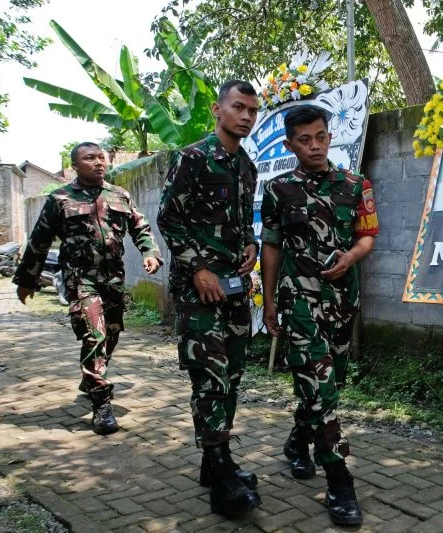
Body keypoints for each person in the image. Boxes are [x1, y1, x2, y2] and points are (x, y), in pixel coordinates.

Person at [261, 104, 378, 526]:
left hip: (343, 301)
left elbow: (367, 236)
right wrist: (269, 302)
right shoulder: (278, 190)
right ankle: (339, 481)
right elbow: (270, 246)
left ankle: (297, 441)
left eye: (321, 136)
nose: (314, 145)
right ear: (290, 144)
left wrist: (350, 257)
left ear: (331, 136)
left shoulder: (355, 184)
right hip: (299, 302)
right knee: (322, 388)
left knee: (325, 386)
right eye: (304, 139)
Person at [157, 79, 262, 518]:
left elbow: (242, 221)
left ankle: (212, 460)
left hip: (235, 290)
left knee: (232, 372)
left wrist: (253, 245)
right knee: (209, 375)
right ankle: (221, 471)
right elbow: (167, 218)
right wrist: (198, 268)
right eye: (238, 107)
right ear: (217, 110)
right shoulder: (193, 158)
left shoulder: (247, 166)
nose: (246, 116)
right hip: (200, 291)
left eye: (252, 111)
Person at [12, 142, 162, 436]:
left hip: (113, 279)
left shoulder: (120, 195)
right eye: (89, 158)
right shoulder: (60, 198)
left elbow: (141, 228)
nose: (98, 162)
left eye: (101, 157)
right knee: (94, 334)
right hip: (81, 278)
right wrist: (27, 280)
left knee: (113, 332)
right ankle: (102, 404)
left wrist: (150, 253)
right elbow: (39, 240)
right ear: (75, 166)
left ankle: (91, 376)